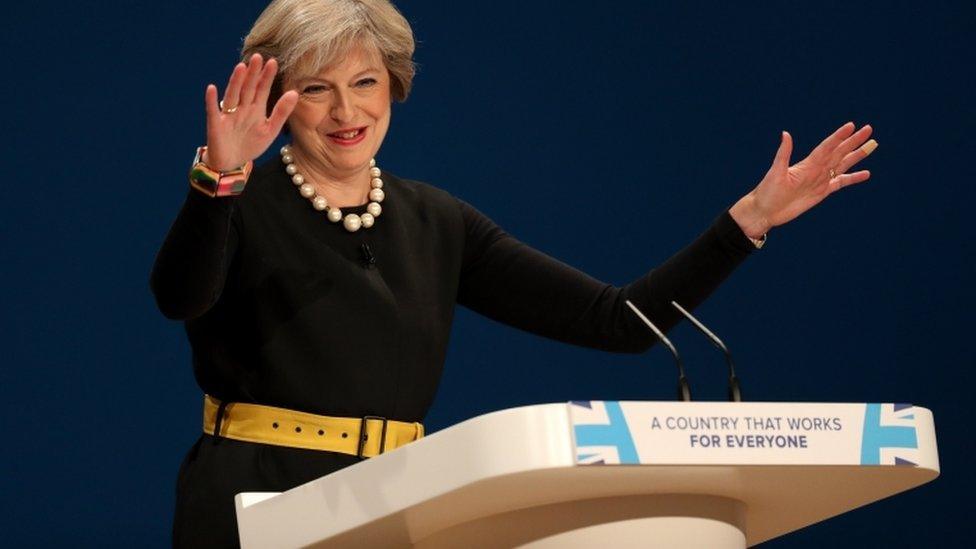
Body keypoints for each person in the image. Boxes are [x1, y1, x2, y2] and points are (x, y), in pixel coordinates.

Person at [150, 0, 878, 545]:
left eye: (365, 82)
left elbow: (619, 322)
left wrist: (747, 219)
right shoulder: (237, 198)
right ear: (279, 97)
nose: (347, 110)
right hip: (257, 501)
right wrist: (219, 175)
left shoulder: (439, 221)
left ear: (393, 87)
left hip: (395, 503)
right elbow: (179, 296)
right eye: (316, 89)